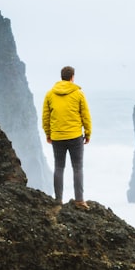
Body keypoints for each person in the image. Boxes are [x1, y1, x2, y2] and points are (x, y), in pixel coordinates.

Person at [42, 65, 92, 209]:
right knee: (77, 168)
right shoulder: (78, 94)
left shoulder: (50, 94)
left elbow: (45, 117)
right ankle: (79, 200)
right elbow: (86, 116)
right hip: (75, 136)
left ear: (61, 77)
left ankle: (58, 200)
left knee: (59, 167)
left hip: (57, 137)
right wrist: (88, 133)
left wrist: (48, 133)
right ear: (72, 77)